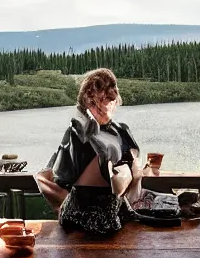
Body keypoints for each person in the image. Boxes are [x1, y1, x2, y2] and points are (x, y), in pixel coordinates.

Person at [35, 68, 147, 233]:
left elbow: (63, 176)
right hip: (113, 215)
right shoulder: (120, 131)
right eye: (102, 101)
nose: (105, 106)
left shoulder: (80, 131)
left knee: (44, 176)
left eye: (107, 100)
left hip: (90, 216)